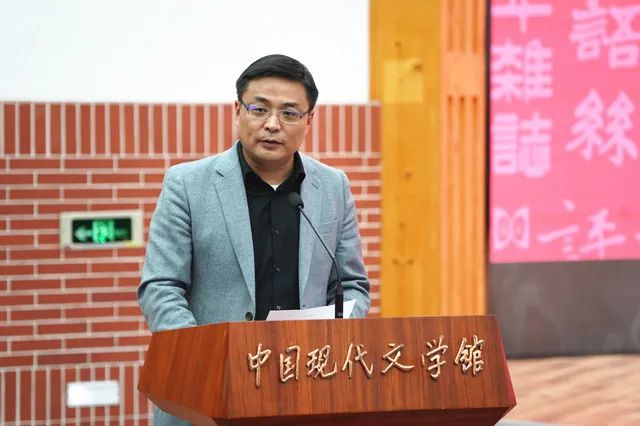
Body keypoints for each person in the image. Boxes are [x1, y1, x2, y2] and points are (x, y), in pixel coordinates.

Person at [137, 54, 370, 425]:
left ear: (309, 120)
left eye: (289, 113)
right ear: (237, 111)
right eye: (259, 109)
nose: (272, 124)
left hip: (305, 394)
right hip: (206, 396)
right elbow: (161, 287)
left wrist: (336, 341)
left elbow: (352, 286)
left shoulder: (333, 188)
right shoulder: (187, 185)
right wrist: (205, 361)